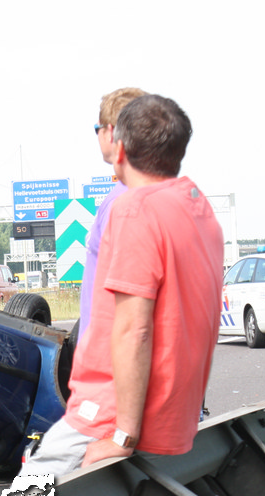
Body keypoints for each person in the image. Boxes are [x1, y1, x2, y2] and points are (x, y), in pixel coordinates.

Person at [22, 94, 224, 476]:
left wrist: (123, 436)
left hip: (109, 411)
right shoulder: (198, 206)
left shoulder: (135, 209)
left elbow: (135, 329)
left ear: (120, 147)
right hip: (172, 412)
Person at [81, 87, 147, 329]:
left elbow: (129, 311)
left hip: (108, 346)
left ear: (110, 132)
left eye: (96, 129)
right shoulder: (157, 193)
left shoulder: (122, 204)